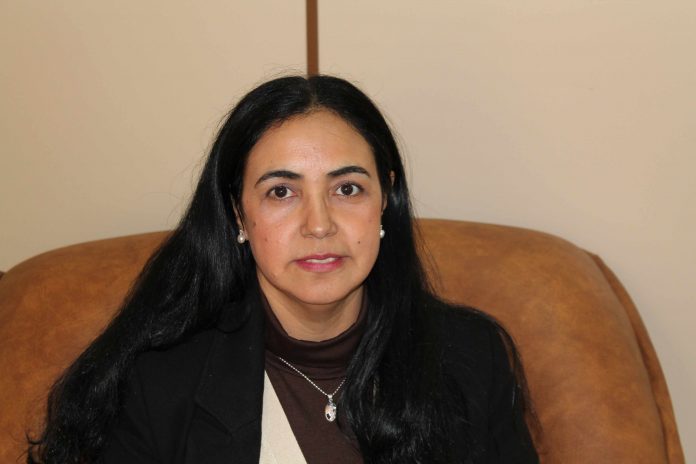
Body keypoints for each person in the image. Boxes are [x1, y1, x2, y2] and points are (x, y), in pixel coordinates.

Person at [27, 75, 538, 463]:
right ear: (238, 214)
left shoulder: (472, 358)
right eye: (281, 192)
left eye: (347, 189)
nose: (319, 225)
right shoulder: (156, 383)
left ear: (385, 199)